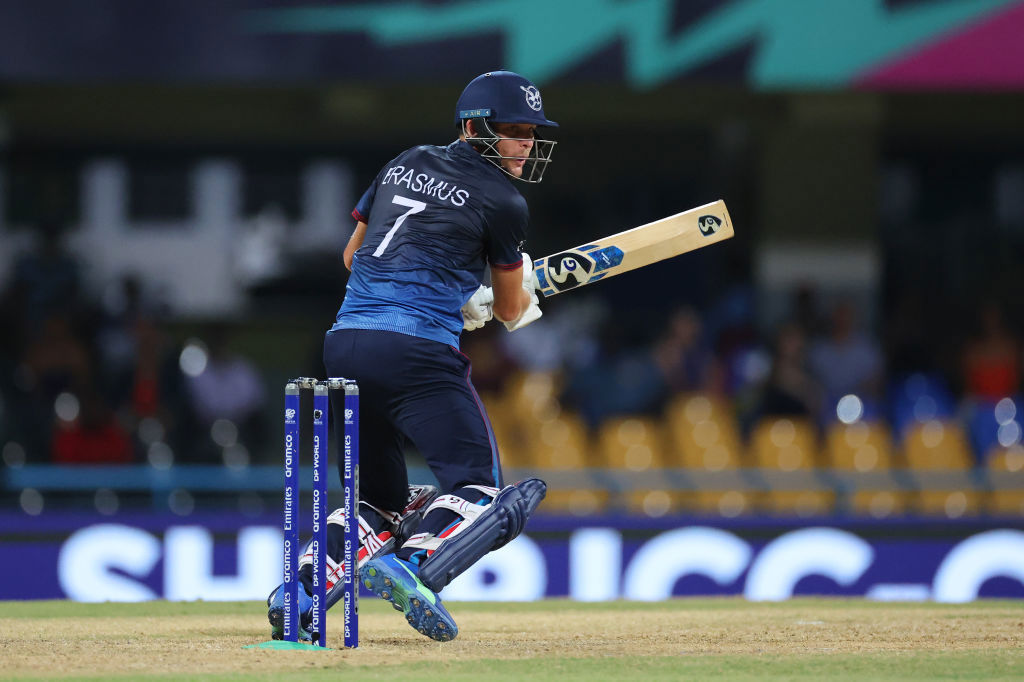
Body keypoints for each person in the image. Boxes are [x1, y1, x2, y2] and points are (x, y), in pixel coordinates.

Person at [267, 71, 553, 642]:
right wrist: (502, 299)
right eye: (515, 130)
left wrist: (453, 291)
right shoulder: (504, 200)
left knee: (380, 499)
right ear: (476, 129)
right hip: (416, 350)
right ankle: (417, 564)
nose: (526, 143)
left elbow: (353, 257)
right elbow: (507, 309)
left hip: (344, 342)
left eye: (532, 131)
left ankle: (299, 591)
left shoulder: (404, 162)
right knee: (479, 488)